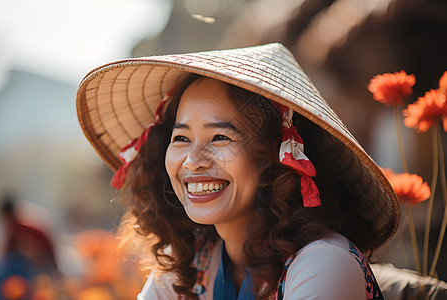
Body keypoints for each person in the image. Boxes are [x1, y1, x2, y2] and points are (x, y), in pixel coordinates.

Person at [76, 43, 400, 299]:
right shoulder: (195, 263)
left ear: (278, 154)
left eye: (220, 137)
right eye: (181, 138)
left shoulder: (322, 264)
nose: (192, 160)